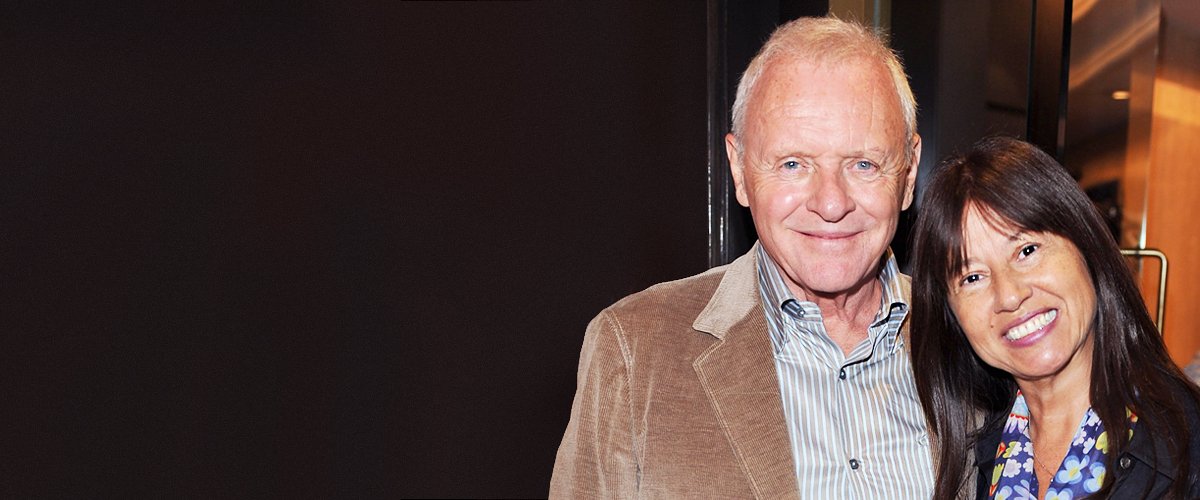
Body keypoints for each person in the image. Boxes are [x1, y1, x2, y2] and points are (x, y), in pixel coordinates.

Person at [551, 16, 949, 498]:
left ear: (907, 176)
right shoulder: (635, 352)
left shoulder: (968, 337)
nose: (830, 203)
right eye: (793, 165)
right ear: (740, 171)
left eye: (863, 164)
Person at [910, 136, 1200, 499]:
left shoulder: (1188, 444)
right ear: (952, 316)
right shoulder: (975, 454)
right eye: (972, 278)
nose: (1010, 295)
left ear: (1086, 245)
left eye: (1027, 250)